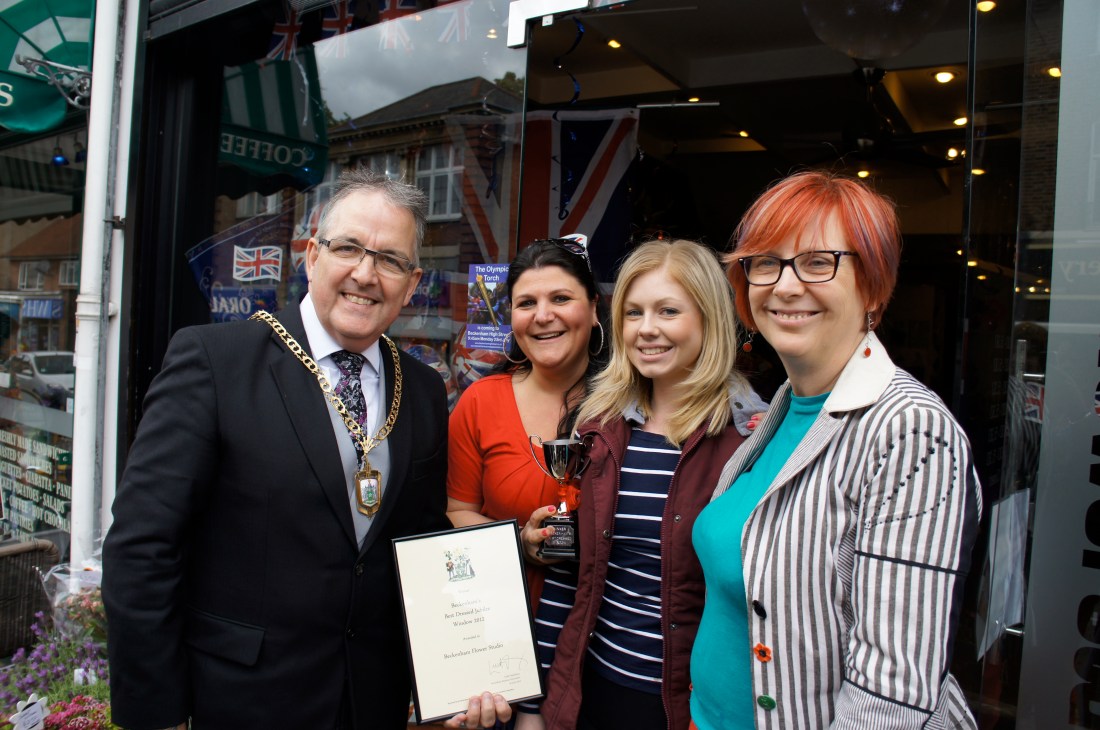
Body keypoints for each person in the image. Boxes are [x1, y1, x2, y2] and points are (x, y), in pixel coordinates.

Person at [102, 169, 508, 730]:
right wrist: (157, 714)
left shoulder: (421, 388)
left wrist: (451, 679)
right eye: (348, 248)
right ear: (312, 256)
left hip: (373, 702)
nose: (365, 274)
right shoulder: (215, 361)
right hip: (243, 702)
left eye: (390, 260)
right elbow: (142, 547)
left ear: (412, 283)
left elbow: (419, 545)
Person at [689, 171, 982, 729]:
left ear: (873, 286)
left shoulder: (911, 432)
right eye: (766, 262)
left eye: (818, 262)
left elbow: (891, 697)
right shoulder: (785, 407)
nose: (785, 285)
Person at [528, 239, 766, 730]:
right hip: (591, 694)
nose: (647, 328)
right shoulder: (598, 429)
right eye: (633, 312)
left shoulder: (751, 439)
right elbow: (567, 576)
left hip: (690, 707)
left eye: (668, 311)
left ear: (708, 319)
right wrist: (536, 706)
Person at [446, 236, 607, 611]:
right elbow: (456, 511)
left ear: (593, 308)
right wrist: (516, 542)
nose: (543, 315)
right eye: (526, 303)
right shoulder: (480, 402)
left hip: (609, 623)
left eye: (561, 298)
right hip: (510, 617)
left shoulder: (630, 401)